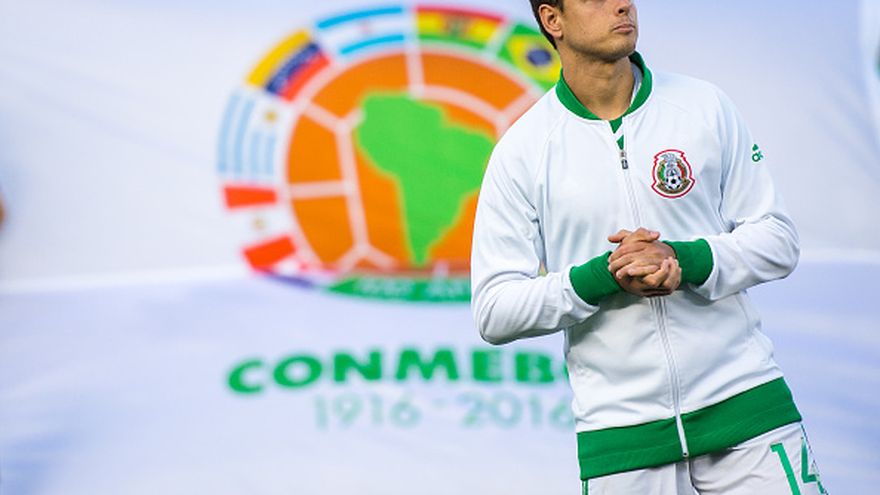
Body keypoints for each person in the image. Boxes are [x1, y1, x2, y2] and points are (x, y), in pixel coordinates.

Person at [470, 1, 826, 493]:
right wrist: (601, 277)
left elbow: (778, 238)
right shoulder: (522, 150)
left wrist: (685, 260)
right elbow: (494, 310)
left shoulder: (703, 106)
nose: (621, 4)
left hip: (746, 408)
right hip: (623, 438)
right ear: (553, 21)